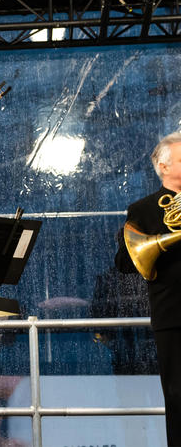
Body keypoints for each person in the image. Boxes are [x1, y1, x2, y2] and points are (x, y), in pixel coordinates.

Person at [115, 131, 181, 447]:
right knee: (179, 396)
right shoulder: (142, 209)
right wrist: (159, 240)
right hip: (173, 312)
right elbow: (126, 263)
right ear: (164, 166)